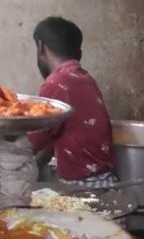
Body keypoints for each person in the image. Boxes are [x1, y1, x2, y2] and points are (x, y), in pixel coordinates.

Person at [28, 17, 117, 187]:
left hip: (82, 187)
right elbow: (52, 138)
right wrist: (37, 165)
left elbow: (34, 141)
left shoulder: (56, 83)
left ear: (41, 47)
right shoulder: (84, 78)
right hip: (104, 180)